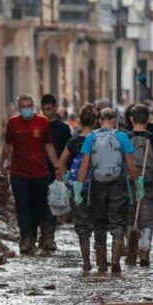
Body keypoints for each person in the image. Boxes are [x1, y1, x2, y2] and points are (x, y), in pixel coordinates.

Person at [75, 108, 140, 273]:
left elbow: (84, 165)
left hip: (97, 184)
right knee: (118, 222)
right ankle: (115, 259)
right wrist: (138, 186)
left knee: (99, 223)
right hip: (118, 183)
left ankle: (102, 264)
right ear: (115, 120)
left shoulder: (91, 137)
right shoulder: (122, 137)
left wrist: (78, 189)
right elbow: (131, 165)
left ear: (99, 120)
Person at [1, 94, 61, 255]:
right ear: (19, 108)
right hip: (18, 172)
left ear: (33, 107)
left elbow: (49, 145)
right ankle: (25, 239)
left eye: (29, 106)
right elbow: (8, 144)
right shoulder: (13, 123)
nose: (26, 109)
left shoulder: (42, 122)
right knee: (22, 206)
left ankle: (33, 236)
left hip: (39, 172)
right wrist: (2, 163)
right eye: (23, 106)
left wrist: (57, 165)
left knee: (37, 208)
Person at [56, 104, 101, 272]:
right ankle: (102, 262)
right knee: (99, 223)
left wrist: (68, 180)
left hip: (78, 189)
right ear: (96, 121)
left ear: (80, 121)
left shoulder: (73, 142)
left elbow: (60, 165)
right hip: (98, 187)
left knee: (82, 226)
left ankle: (86, 262)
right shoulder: (99, 140)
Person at [124, 104, 153, 266]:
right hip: (148, 184)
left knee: (129, 218)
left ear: (131, 119)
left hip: (128, 185)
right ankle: (145, 250)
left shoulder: (125, 138)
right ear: (148, 119)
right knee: (148, 219)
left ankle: (130, 250)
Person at [37, 94, 72, 251]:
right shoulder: (38, 126)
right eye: (44, 109)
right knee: (39, 204)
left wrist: (65, 170)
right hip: (38, 170)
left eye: (49, 109)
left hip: (55, 172)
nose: (46, 112)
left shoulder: (63, 128)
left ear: (55, 108)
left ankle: (49, 237)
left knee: (52, 204)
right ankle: (41, 235)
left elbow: (68, 150)